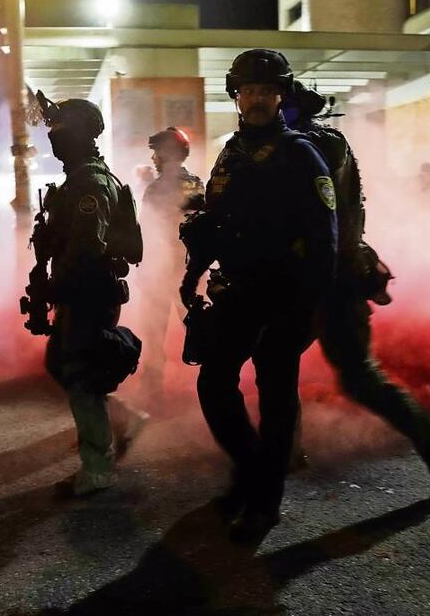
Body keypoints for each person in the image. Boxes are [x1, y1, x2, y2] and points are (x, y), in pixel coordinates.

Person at [179, 49, 337, 544]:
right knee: (214, 385)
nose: (257, 99)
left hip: (285, 296)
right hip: (238, 293)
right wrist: (193, 272)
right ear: (237, 95)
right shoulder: (230, 153)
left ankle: (264, 503)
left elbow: (325, 236)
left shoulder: (300, 153)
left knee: (276, 401)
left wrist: (309, 306)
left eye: (267, 91)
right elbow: (217, 225)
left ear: (280, 96)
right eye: (248, 90)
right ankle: (251, 472)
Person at [284, 80, 430, 501]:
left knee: (357, 377)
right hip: (301, 275)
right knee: (278, 366)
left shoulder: (317, 145)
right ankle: (284, 454)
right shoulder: (304, 143)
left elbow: (317, 216)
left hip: (333, 276)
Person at [27, 91, 148, 497]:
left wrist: (54, 286)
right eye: (53, 133)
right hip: (80, 287)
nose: (54, 141)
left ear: (81, 135)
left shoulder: (90, 183)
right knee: (61, 364)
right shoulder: (78, 178)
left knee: (79, 374)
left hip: (89, 289)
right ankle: (125, 420)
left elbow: (85, 247)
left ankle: (97, 468)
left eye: (61, 133)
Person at [139, 127, 205, 406]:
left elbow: (146, 230)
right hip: (190, 268)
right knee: (197, 328)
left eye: (156, 152)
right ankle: (208, 384)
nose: (153, 158)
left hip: (163, 270)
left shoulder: (156, 188)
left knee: (154, 333)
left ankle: (153, 392)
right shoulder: (195, 182)